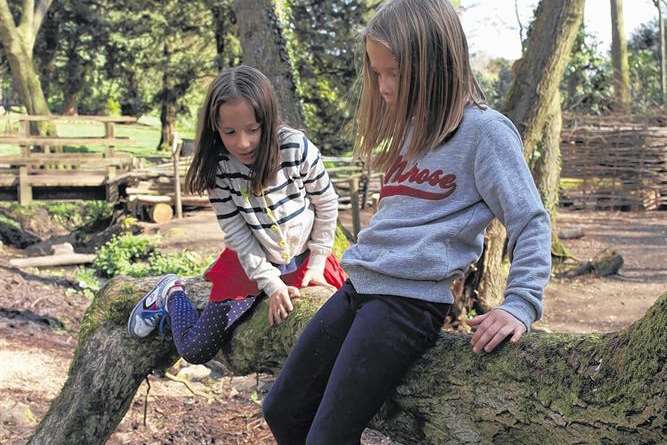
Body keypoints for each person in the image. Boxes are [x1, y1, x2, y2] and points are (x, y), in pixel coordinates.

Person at [261, 0, 552, 443]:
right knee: (280, 409)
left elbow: (530, 221)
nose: (382, 86)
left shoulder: (486, 133)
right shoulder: (411, 131)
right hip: (359, 287)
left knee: (327, 437)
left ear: (437, 64)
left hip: (407, 302)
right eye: (376, 73)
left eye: (393, 73)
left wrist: (520, 303)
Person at [126, 65, 346, 366]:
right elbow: (238, 235)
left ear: (267, 121)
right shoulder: (219, 169)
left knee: (341, 334)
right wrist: (271, 283)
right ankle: (170, 292)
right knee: (196, 349)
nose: (242, 143)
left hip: (307, 257)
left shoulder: (295, 148)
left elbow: (327, 202)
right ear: (214, 127)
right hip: (250, 259)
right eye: (230, 132)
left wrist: (319, 261)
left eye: (253, 130)